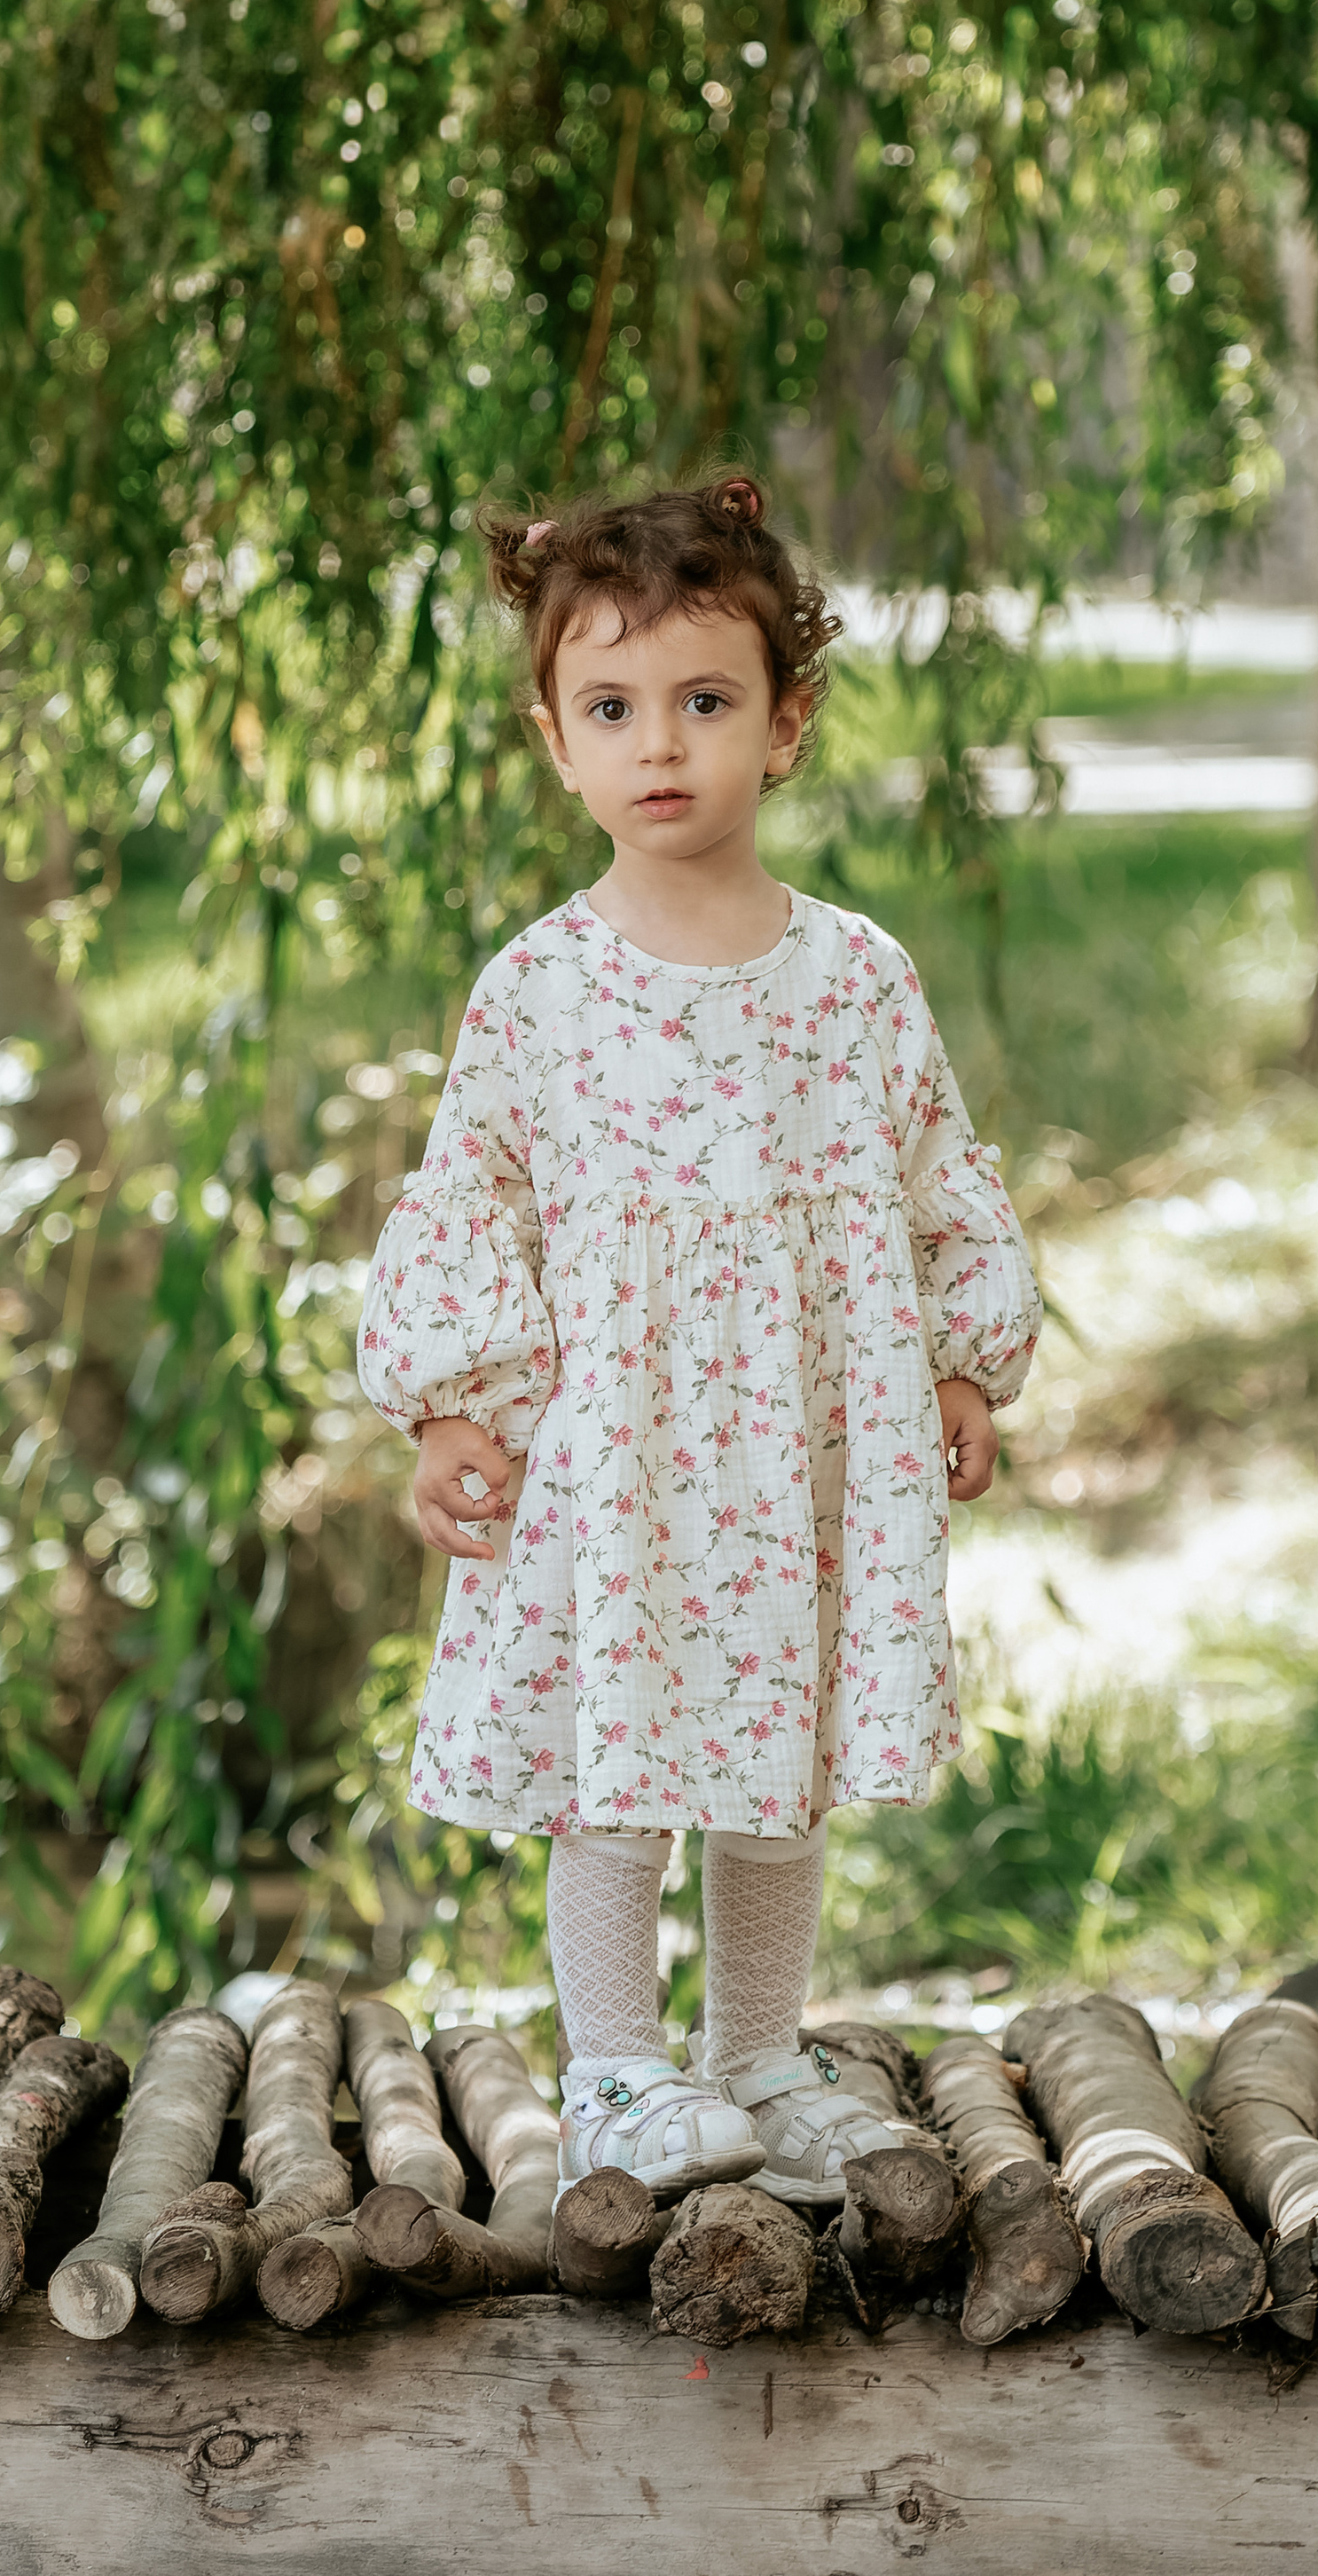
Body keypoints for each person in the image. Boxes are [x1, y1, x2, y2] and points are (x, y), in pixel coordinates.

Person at [357, 474, 1041, 2207]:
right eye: (610, 709)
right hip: (618, 1454)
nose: (658, 744)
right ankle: (609, 2072)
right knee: (619, 1765)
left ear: (784, 723)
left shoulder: (854, 979)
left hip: (793, 1446)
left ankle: (754, 2051)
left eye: (703, 701)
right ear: (554, 739)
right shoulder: (539, 988)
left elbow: (930, 1171)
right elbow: (468, 1201)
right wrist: (454, 1411)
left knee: (774, 1760)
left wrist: (960, 1354)